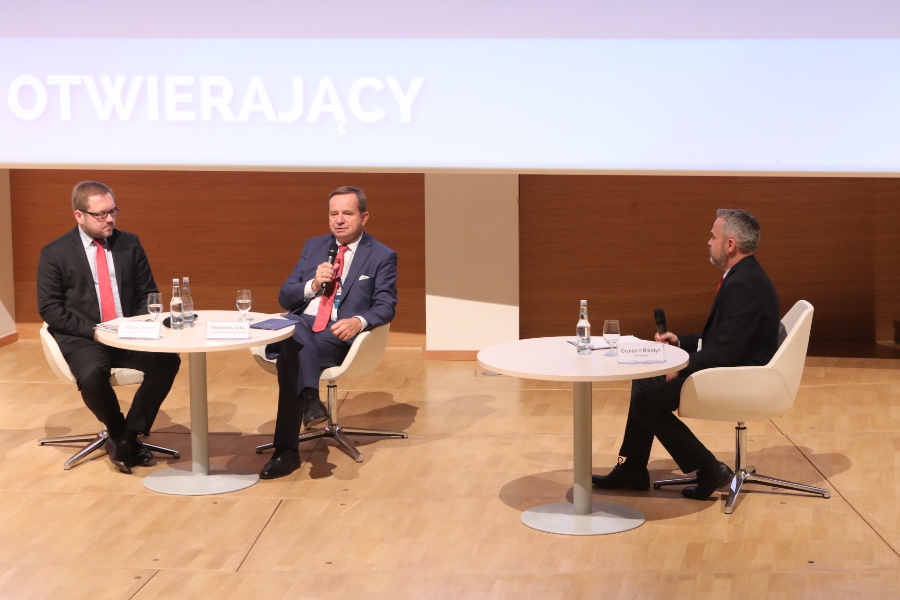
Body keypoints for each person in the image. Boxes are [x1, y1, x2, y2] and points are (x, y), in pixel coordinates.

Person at [593, 209, 780, 500]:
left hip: (739, 379)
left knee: (646, 403)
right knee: (645, 380)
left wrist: (683, 366)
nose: (709, 242)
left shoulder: (744, 284)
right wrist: (680, 343)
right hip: (733, 368)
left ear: (730, 245)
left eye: (713, 237)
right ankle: (632, 467)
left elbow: (727, 352)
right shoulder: (745, 276)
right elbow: (723, 339)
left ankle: (709, 467)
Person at [37, 181, 181, 473]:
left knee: (167, 361)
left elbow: (147, 294)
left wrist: (138, 326)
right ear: (80, 216)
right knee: (92, 373)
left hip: (126, 333)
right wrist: (93, 331)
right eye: (101, 214)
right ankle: (117, 431)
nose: (110, 219)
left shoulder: (130, 243)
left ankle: (128, 436)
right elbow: (50, 308)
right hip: (84, 335)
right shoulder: (55, 252)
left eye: (113, 211)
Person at [260, 185, 398, 479]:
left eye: (347, 213)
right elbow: (285, 297)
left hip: (334, 334)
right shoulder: (314, 246)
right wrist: (312, 285)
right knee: (295, 326)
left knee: (291, 356)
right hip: (302, 326)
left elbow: (386, 305)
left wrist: (358, 321)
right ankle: (311, 400)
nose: (339, 220)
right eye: (334, 214)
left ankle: (287, 452)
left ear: (364, 217)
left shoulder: (381, 255)